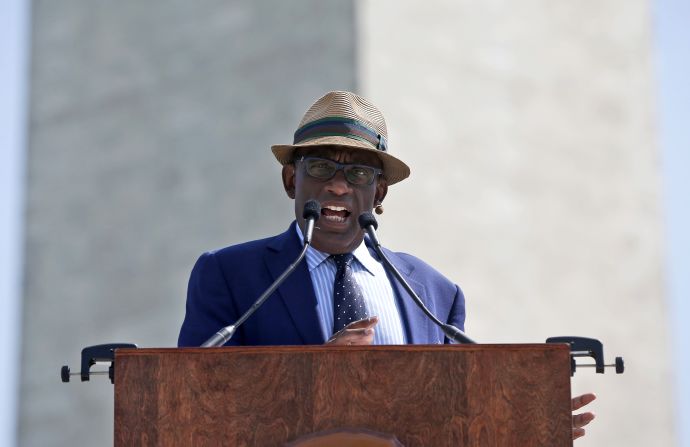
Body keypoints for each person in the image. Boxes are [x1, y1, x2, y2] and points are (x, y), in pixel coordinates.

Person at [178, 90, 595, 440]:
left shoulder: (435, 293)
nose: (338, 185)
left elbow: (455, 413)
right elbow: (198, 403)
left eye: (358, 174)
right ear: (291, 181)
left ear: (379, 193)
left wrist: (521, 422)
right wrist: (316, 374)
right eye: (321, 167)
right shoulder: (230, 274)